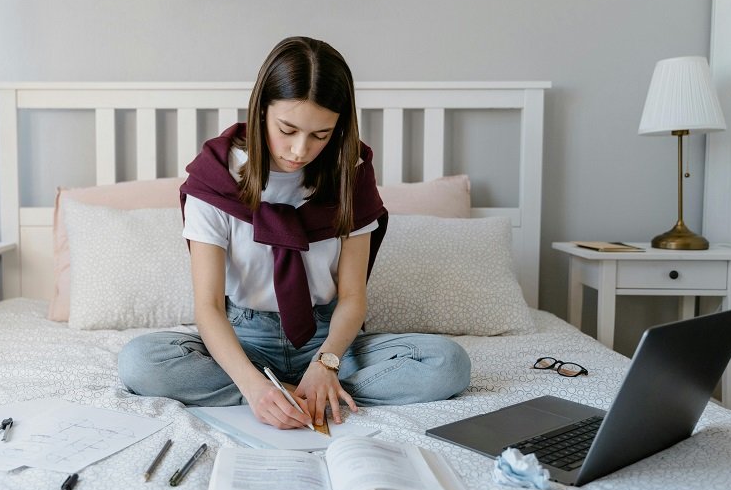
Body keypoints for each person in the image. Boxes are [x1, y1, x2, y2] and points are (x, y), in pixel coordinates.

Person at [118, 36, 470, 430]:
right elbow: (209, 307)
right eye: (287, 129)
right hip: (243, 341)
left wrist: (327, 363)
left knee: (448, 363)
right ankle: (290, 394)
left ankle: (318, 388)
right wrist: (253, 388)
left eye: (321, 135)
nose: (300, 150)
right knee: (140, 361)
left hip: (329, 339)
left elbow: (353, 297)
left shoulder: (351, 176)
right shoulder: (217, 177)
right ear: (261, 110)